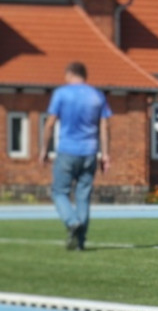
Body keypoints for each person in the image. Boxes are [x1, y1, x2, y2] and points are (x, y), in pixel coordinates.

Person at [38, 61, 112, 251]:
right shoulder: (97, 95)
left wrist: (44, 150)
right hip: (90, 152)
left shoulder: (62, 94)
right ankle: (80, 242)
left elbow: (49, 123)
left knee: (59, 191)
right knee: (83, 196)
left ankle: (72, 222)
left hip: (67, 151)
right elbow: (104, 126)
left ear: (70, 74)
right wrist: (105, 154)